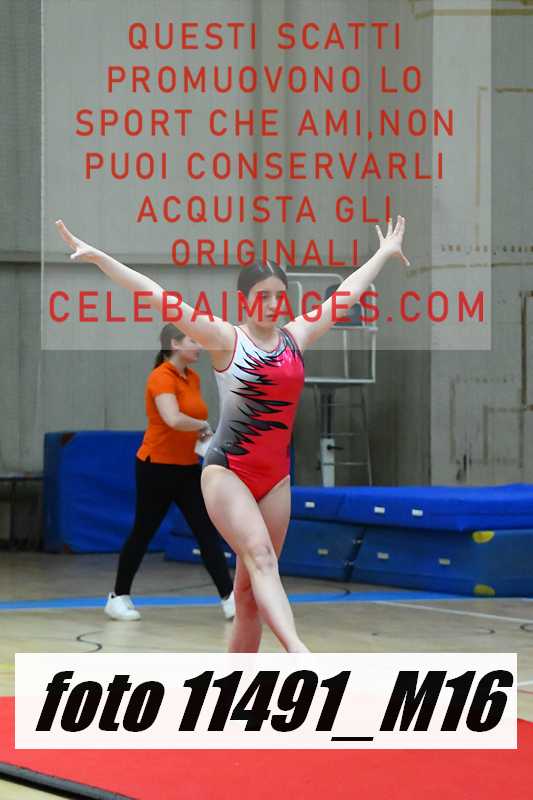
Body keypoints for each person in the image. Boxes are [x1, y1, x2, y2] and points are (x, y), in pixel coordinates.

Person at [56, 216, 409, 651]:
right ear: (245, 300)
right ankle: (299, 652)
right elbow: (157, 296)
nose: (273, 304)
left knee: (248, 597)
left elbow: (345, 295)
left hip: (275, 478)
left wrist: (383, 253)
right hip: (228, 472)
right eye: (263, 296)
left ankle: (237, 684)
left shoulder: (296, 337)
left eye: (279, 295)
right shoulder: (225, 339)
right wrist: (100, 259)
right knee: (261, 557)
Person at [104, 322, 235, 622]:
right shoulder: (160, 377)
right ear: (175, 344)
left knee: (205, 530)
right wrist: (202, 426)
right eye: (193, 341)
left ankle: (229, 598)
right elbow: (172, 418)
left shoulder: (193, 378)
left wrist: (204, 436)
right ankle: (118, 597)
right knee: (143, 531)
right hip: (156, 468)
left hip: (187, 468)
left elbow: (188, 420)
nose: (199, 347)